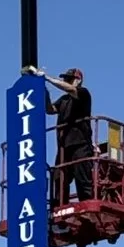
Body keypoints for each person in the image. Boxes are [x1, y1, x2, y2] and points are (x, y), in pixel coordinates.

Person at [45, 67, 94, 202]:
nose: (66, 81)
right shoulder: (63, 100)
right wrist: (45, 92)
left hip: (81, 144)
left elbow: (70, 89)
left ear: (78, 80)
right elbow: (50, 109)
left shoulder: (83, 93)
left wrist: (48, 78)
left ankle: (87, 204)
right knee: (58, 177)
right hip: (64, 146)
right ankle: (60, 206)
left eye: (69, 79)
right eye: (65, 79)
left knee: (82, 177)